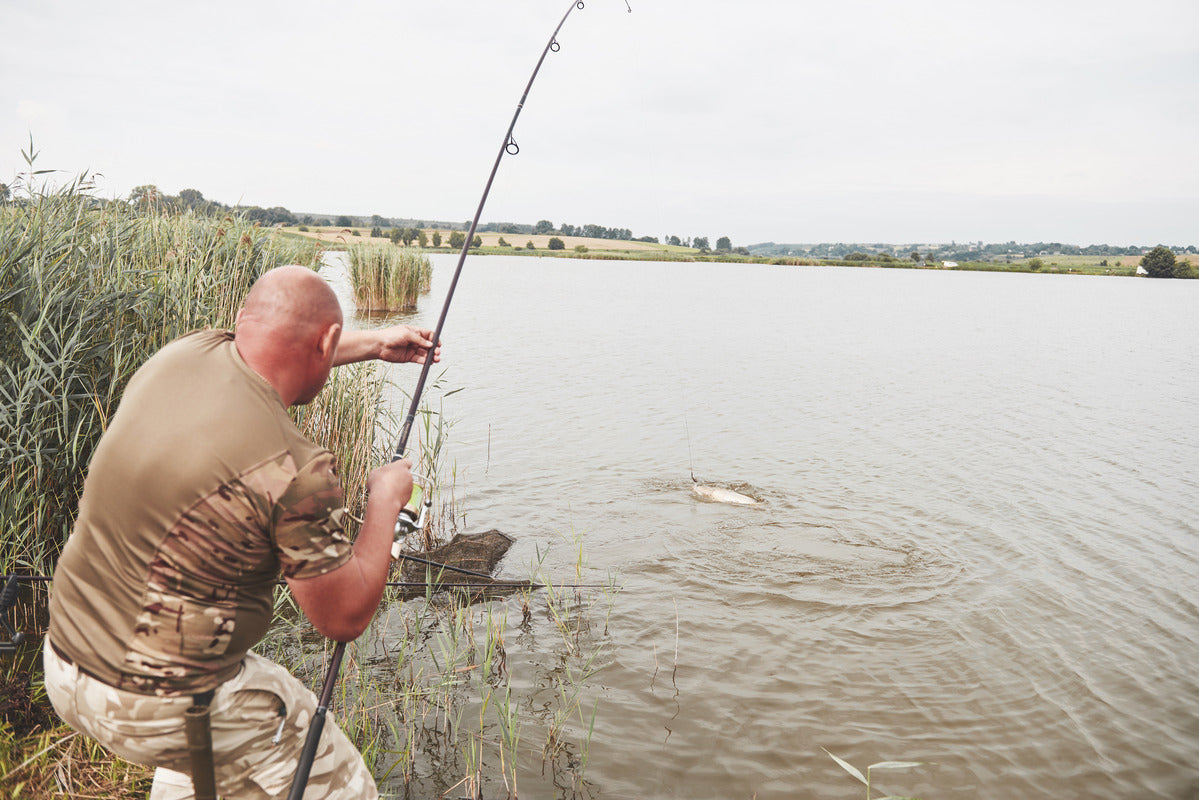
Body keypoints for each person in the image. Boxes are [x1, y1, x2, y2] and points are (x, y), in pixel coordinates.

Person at [44, 265, 440, 799]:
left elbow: (281, 345)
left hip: (66, 665)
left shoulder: (182, 354)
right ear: (326, 341)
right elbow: (343, 617)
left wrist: (373, 344)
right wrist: (384, 502)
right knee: (344, 784)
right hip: (159, 705)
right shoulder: (294, 469)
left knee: (220, 728)